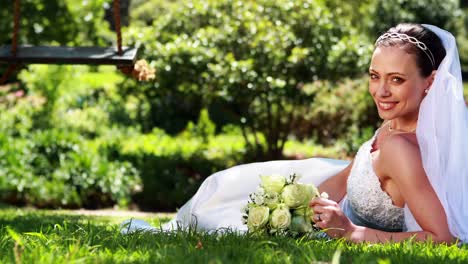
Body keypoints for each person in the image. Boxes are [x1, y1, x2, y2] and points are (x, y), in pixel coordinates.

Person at [122, 24, 468, 244]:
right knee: (229, 189)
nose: (380, 91)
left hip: (341, 217)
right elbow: (349, 176)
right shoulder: (394, 123)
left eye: (397, 79)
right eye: (374, 75)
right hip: (326, 194)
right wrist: (293, 202)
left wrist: (351, 233)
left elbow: (442, 238)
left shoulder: (403, 149)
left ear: (432, 82)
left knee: (222, 212)